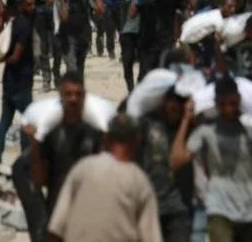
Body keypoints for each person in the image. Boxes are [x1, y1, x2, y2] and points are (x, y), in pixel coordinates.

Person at [171, 76, 252, 242]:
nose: (228, 109)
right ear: (216, 103)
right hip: (220, 209)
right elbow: (176, 161)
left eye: (233, 103)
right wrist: (185, 120)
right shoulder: (206, 132)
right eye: (223, 104)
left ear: (240, 100)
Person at [47, 114, 163, 242]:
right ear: (137, 140)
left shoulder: (83, 168)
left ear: (106, 139)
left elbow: (56, 228)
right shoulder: (140, 182)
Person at [27, 72, 104, 235]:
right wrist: (35, 143)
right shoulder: (50, 134)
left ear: (84, 96)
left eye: (78, 94)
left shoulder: (95, 134)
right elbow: (39, 180)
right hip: (57, 212)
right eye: (68, 94)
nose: (73, 99)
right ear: (60, 96)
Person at [136, 87, 195, 242]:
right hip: (150, 206)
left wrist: (185, 121)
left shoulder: (190, 128)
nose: (172, 107)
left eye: (177, 104)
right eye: (170, 102)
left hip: (179, 209)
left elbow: (177, 160)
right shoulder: (148, 124)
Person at [0, 0, 36, 167]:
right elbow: (17, 56)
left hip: (8, 79)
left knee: (5, 121)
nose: (33, 8)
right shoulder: (25, 26)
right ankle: (27, 155)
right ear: (21, 6)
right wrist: (5, 60)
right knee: (28, 120)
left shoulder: (13, 23)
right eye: (29, 5)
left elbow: (2, 46)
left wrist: (1, 59)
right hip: (21, 80)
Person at [55, 0, 103, 78]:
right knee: (72, 68)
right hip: (67, 38)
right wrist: (63, 1)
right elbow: (64, 18)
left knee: (80, 67)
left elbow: (100, 11)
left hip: (83, 36)